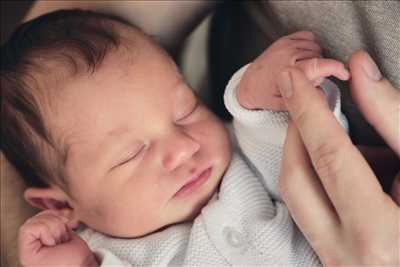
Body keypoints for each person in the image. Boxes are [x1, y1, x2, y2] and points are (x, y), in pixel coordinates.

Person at [2, 10, 350, 267]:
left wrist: (259, 101)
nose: (184, 148)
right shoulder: (104, 256)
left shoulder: (238, 156)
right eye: (131, 154)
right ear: (62, 206)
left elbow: (309, 161)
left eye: (186, 111)